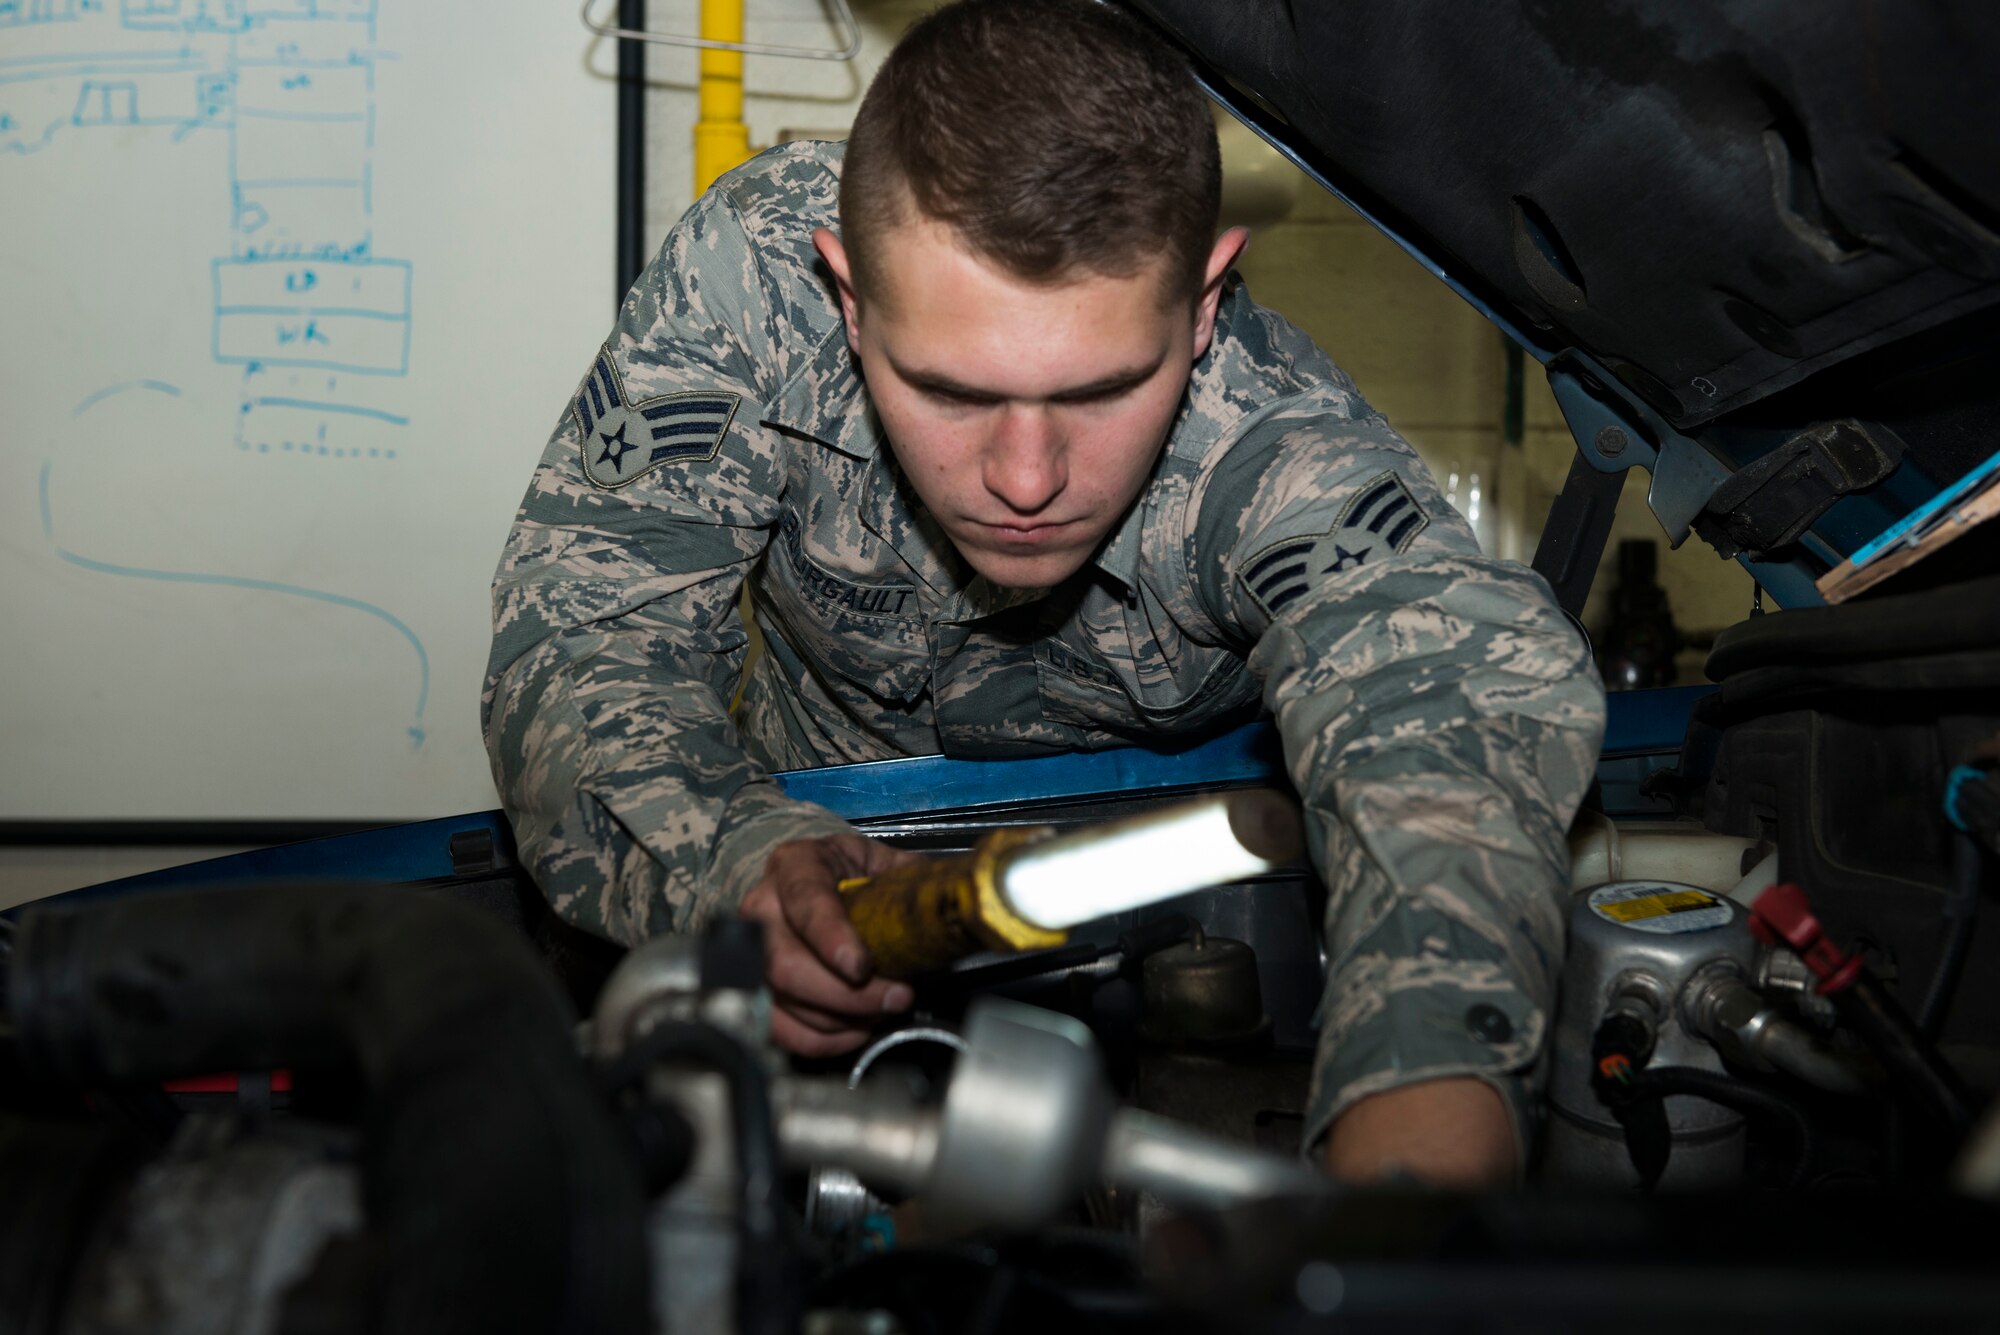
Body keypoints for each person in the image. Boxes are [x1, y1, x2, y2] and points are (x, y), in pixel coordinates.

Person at [484, 0, 1605, 1186]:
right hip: (814, 876)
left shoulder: (1273, 445)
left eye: (1099, 390)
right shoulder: (750, 284)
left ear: (1205, 303)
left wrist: (1414, 1168)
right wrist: (730, 858)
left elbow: (1440, 714)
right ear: (847, 297)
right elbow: (587, 635)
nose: (1026, 479)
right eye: (953, 392)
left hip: (1177, 924)